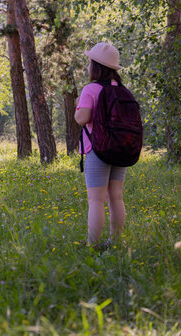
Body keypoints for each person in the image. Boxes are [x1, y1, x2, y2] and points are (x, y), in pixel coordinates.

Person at [75, 42, 127, 249]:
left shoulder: (91, 89)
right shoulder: (121, 90)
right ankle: (115, 242)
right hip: (120, 149)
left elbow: (82, 118)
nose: (88, 68)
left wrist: (78, 106)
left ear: (97, 66)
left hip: (98, 150)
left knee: (96, 200)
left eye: (89, 63)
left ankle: (92, 245)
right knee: (116, 197)